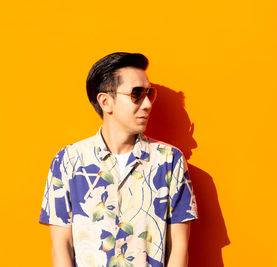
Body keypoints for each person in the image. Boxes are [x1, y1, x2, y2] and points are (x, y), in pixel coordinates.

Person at [39, 52, 198, 267]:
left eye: (149, 94)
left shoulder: (169, 161)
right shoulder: (68, 161)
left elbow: (179, 247)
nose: (147, 104)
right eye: (136, 94)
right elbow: (61, 247)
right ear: (106, 101)